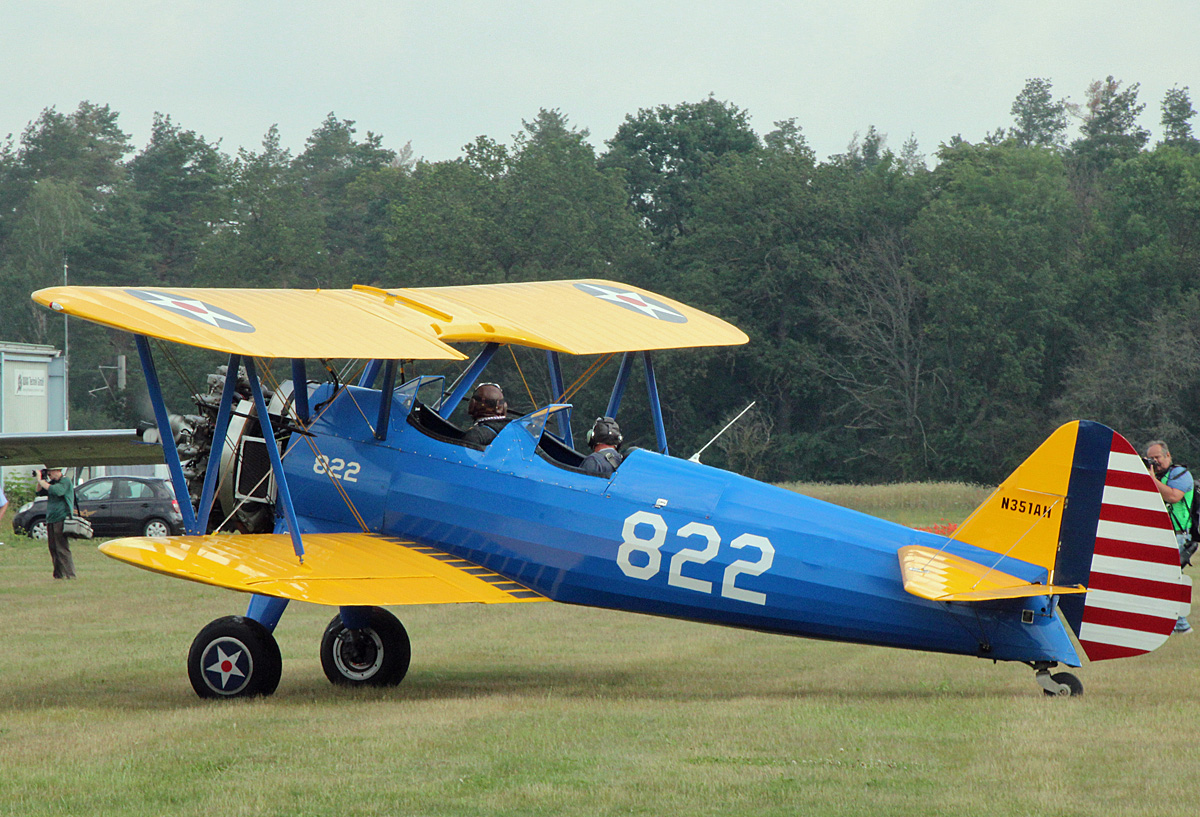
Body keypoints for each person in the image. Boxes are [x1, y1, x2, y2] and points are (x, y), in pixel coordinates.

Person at [1146, 440, 1192, 634]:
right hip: (1161, 534)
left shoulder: (1181, 474)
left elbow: (1173, 497)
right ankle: (1171, 623)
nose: (1155, 461)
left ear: (1168, 456)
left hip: (1180, 535)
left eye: (1157, 457)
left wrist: (1151, 480)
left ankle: (1180, 625)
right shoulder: (1157, 476)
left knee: (1170, 579)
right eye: (1151, 458)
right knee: (1160, 579)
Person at [38, 466, 76, 580]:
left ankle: (70, 574)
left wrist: (41, 480)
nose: (49, 474)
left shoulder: (65, 481)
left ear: (57, 471)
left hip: (61, 518)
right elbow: (39, 492)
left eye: (50, 472)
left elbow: (57, 491)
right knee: (53, 547)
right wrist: (41, 480)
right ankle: (58, 574)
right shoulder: (52, 483)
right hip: (51, 519)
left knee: (62, 548)